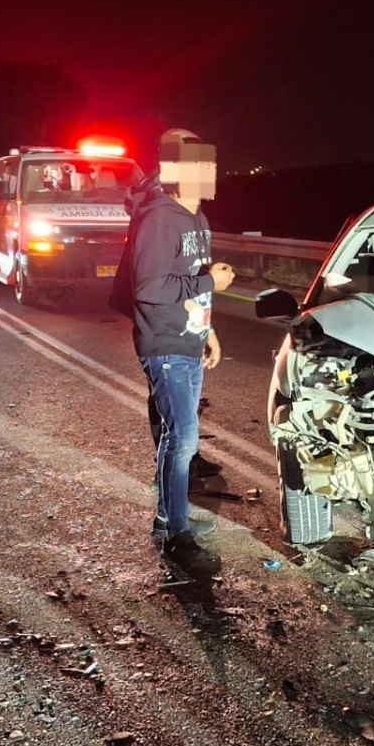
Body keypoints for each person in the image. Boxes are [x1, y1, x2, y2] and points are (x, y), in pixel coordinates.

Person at [121, 129, 234, 577]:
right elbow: (148, 288)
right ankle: (175, 535)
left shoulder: (198, 219)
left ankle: (170, 519)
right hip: (164, 342)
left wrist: (209, 330)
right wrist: (210, 282)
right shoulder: (158, 219)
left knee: (183, 437)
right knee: (182, 438)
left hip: (190, 338)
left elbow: (191, 281)